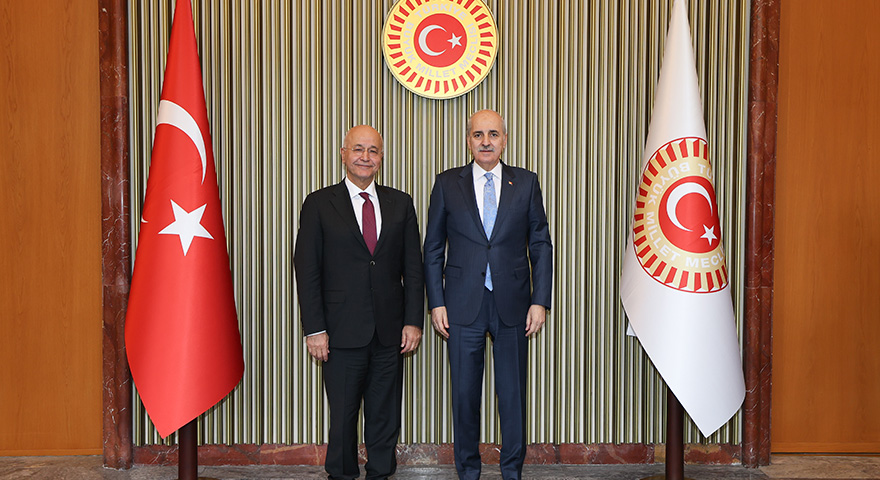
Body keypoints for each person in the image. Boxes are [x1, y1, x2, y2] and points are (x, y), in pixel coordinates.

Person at [423, 109, 553, 480]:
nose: (485, 141)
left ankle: (512, 470)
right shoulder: (447, 183)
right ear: (468, 140)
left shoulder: (526, 182)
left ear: (504, 140)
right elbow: (433, 248)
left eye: (493, 134)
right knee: (465, 395)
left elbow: (541, 244)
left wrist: (540, 301)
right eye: (478, 134)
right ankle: (468, 471)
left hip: (514, 303)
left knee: (512, 395)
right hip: (462, 304)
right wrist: (436, 302)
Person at [294, 125, 424, 480]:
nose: (365, 157)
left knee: (385, 415)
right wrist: (314, 329)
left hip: (389, 332)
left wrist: (413, 321)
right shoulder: (319, 204)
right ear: (343, 154)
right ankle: (341, 473)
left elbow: (414, 269)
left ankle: (381, 473)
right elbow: (307, 270)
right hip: (339, 332)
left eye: (373, 151)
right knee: (343, 416)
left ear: (381, 158)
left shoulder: (401, 203)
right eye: (358, 149)